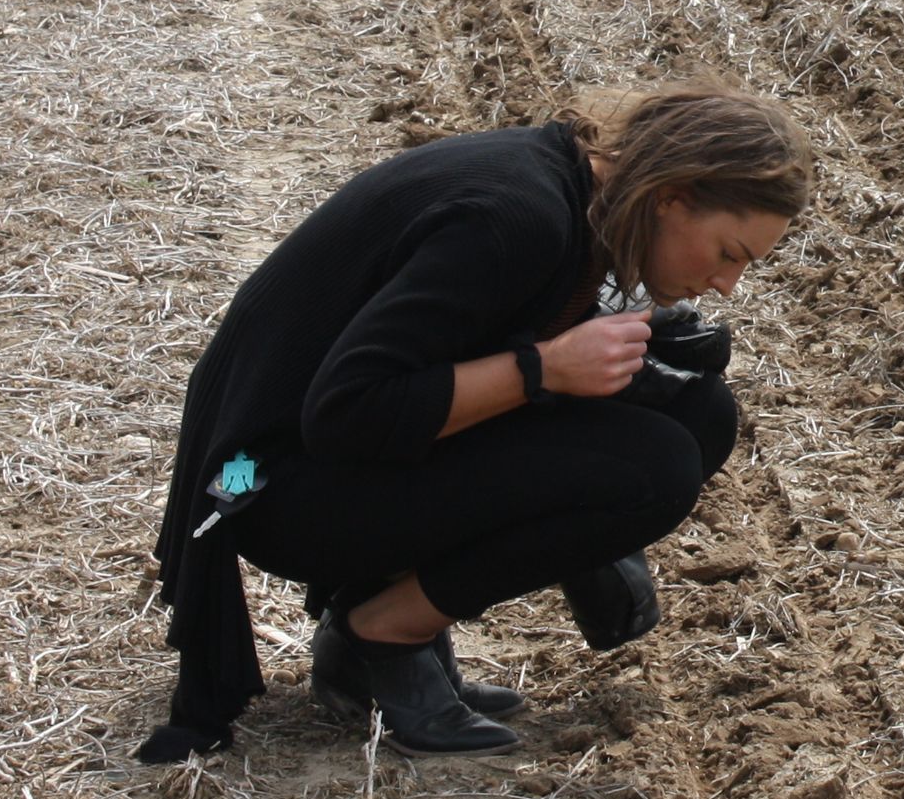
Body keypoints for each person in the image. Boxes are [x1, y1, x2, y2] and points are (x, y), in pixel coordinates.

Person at [137, 81, 811, 763]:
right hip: (262, 485)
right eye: (730, 254)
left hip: (322, 459)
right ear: (673, 197)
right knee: (651, 468)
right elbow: (345, 411)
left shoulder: (572, 191)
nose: (727, 284)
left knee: (697, 411)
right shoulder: (516, 218)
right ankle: (381, 633)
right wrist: (543, 368)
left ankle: (385, 614)